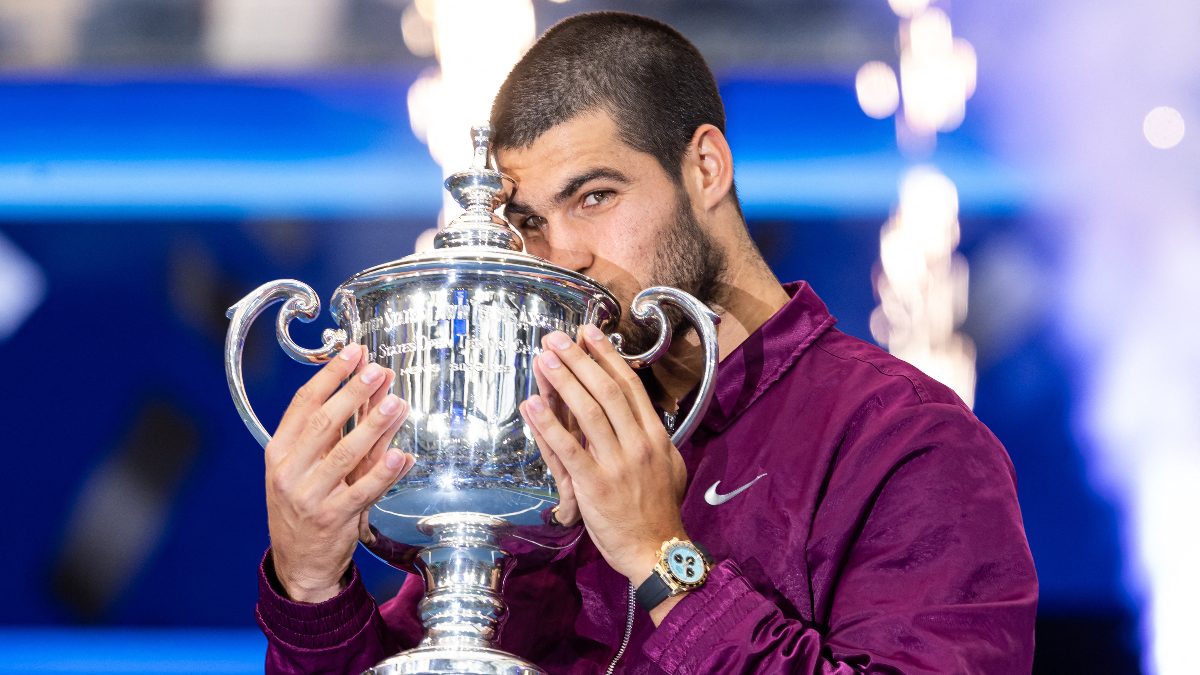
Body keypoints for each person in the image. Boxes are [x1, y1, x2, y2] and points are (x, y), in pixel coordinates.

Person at [254, 11, 1038, 674]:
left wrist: (664, 561)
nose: (560, 257)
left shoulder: (907, 442)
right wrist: (313, 588)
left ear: (705, 168)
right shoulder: (535, 442)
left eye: (594, 196)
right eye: (529, 223)